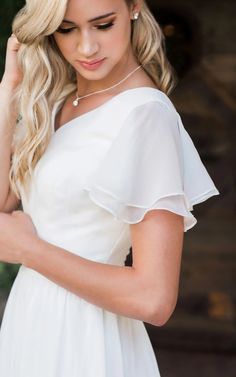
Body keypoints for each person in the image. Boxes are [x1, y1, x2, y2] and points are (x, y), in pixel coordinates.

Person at [0, 0, 219, 376]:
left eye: (103, 25)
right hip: (30, 323)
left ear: (134, 7)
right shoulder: (58, 101)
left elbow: (154, 298)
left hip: (85, 340)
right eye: (67, 29)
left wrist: (29, 250)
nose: (86, 47)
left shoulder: (145, 115)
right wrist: (9, 91)